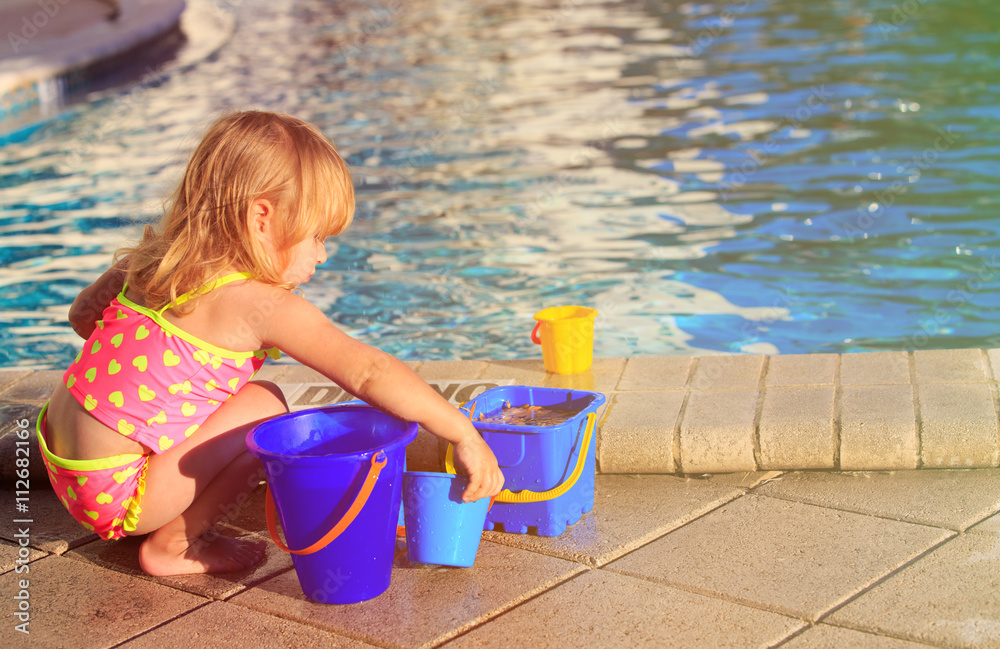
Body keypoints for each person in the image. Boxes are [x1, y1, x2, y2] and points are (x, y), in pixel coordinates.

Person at [39, 110, 504, 577]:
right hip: (122, 497)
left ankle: (158, 503)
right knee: (267, 407)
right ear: (262, 217)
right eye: (316, 235)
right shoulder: (262, 305)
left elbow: (83, 318)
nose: (321, 254)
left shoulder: (152, 260)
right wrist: (461, 432)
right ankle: (176, 543)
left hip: (63, 460)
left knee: (216, 400)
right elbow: (369, 372)